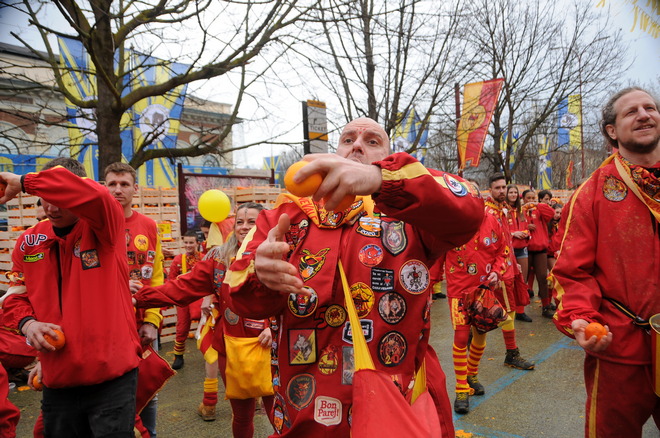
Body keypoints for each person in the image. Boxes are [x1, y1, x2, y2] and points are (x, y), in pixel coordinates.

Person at [224, 117, 484, 436]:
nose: (357, 146)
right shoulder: (282, 217)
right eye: (348, 140)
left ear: (386, 158)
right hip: (306, 415)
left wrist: (380, 179)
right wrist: (260, 274)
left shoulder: (413, 217)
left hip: (394, 407)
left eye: (372, 141)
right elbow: (236, 294)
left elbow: (471, 205)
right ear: (336, 153)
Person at [0, 158, 142, 437]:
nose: (51, 208)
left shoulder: (104, 224)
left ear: (75, 193)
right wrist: (28, 324)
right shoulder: (29, 241)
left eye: (59, 199)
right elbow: (15, 297)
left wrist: (24, 181)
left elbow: (97, 195)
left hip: (111, 378)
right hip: (57, 379)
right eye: (45, 199)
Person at [551, 87, 660, 438]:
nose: (644, 114)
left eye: (650, 107)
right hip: (621, 348)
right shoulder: (591, 193)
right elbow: (571, 271)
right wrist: (582, 317)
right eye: (631, 112)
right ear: (612, 130)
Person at [131, 202, 276, 436]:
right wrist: (140, 298)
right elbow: (182, 287)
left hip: (272, 346)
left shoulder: (280, 255)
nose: (244, 226)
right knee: (241, 414)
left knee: (277, 411)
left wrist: (273, 327)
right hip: (231, 348)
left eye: (252, 221)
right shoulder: (219, 260)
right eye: (239, 222)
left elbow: (294, 298)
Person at [105, 162, 166, 437]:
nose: (118, 190)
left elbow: (157, 276)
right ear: (104, 188)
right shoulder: (94, 225)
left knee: (147, 389)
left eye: (124, 184)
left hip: (142, 324)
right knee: (110, 390)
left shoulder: (149, 226)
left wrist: (152, 320)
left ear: (135, 189)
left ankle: (149, 433)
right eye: (112, 184)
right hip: (107, 324)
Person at [167, 231, 204, 370]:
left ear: (197, 243)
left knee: (206, 325)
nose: (188, 245)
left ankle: (210, 352)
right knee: (182, 326)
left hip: (201, 297)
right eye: (186, 242)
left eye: (191, 242)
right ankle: (178, 355)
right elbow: (171, 280)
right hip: (184, 298)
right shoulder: (178, 260)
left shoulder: (203, 258)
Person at [521, 189, 555, 317]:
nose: (530, 201)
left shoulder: (539, 210)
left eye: (532, 198)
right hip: (525, 249)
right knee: (522, 280)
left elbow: (551, 213)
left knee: (542, 277)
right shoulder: (520, 211)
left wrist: (538, 204)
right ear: (523, 199)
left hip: (540, 249)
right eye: (528, 198)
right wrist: (526, 227)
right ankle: (519, 310)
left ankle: (546, 306)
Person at [505, 184, 532, 322]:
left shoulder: (522, 210)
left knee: (522, 280)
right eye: (511, 192)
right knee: (508, 282)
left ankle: (520, 312)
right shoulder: (503, 210)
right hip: (508, 250)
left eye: (515, 192)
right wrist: (513, 233)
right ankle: (506, 310)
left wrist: (525, 233)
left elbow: (527, 227)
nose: (513, 195)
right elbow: (500, 229)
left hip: (522, 248)